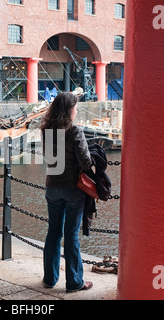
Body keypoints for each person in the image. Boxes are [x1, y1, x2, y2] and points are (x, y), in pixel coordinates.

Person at [40, 92, 94, 292]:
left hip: (52, 187)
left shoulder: (46, 130)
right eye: (75, 108)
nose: (76, 111)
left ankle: (49, 279)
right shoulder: (74, 132)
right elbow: (86, 163)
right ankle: (74, 282)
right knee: (71, 235)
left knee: (53, 232)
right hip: (72, 189)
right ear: (70, 110)